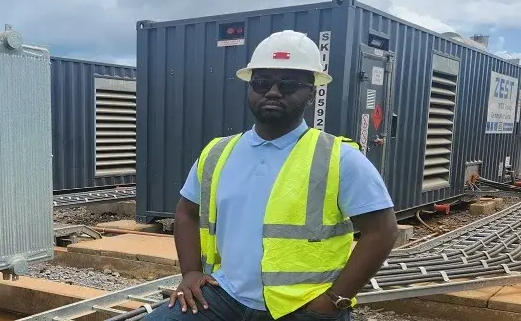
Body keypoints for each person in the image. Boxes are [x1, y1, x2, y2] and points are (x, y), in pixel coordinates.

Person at [144, 30, 398, 321]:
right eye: (262, 82)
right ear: (251, 87)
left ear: (312, 91)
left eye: (289, 84)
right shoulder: (217, 153)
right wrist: (190, 272)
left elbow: (382, 230)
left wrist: (335, 299)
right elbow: (186, 213)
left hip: (302, 305)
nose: (273, 92)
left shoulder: (339, 158)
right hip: (224, 295)